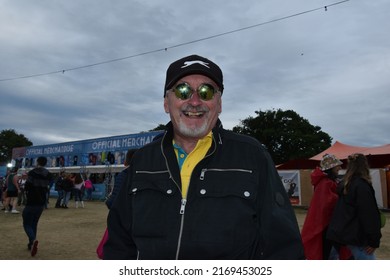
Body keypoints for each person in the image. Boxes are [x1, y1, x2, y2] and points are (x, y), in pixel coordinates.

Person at [104, 54, 304, 260]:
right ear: (166, 103)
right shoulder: (142, 160)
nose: (195, 101)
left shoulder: (253, 156)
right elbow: (119, 245)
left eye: (206, 91)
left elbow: (283, 248)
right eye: (183, 90)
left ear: (219, 104)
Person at [327, 153, 382, 260]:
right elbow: (368, 214)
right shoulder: (361, 186)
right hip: (356, 238)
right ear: (365, 166)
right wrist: (373, 240)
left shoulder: (346, 184)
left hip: (343, 234)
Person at [301, 154, 345, 259]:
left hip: (328, 226)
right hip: (325, 227)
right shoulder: (325, 183)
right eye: (337, 166)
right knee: (325, 253)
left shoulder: (328, 182)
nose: (339, 167)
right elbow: (327, 203)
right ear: (331, 168)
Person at [23, 156, 52, 257]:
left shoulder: (32, 172)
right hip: (41, 202)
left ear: (37, 161)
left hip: (31, 200)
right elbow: (49, 186)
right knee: (34, 223)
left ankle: (32, 239)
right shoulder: (48, 174)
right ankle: (31, 244)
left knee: (26, 223)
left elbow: (27, 186)